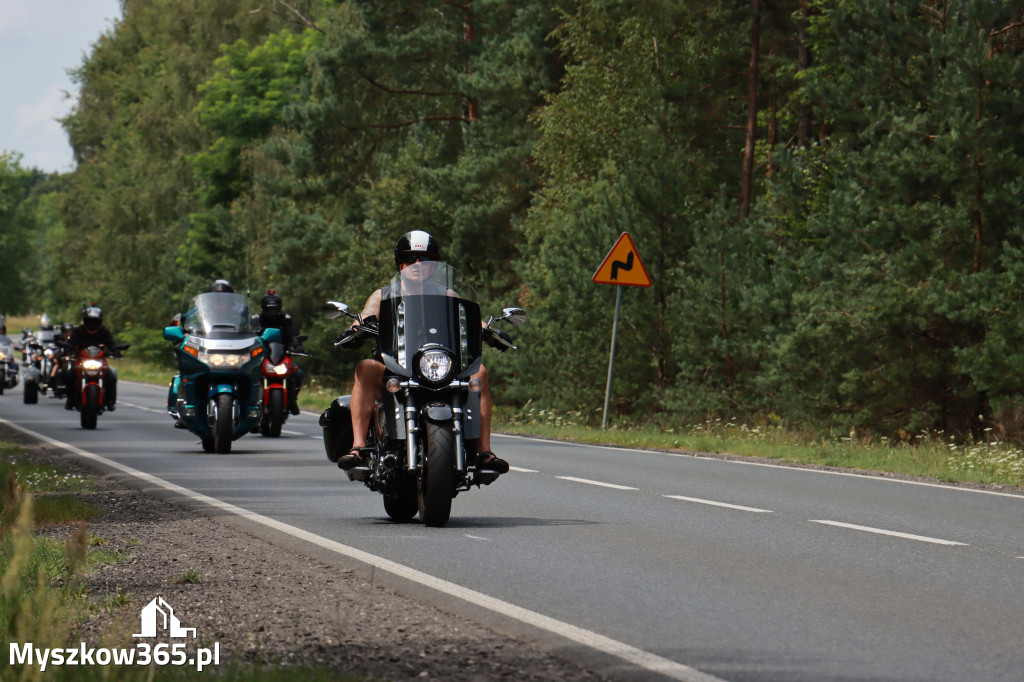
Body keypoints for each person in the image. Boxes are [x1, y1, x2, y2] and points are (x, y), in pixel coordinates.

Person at [336, 230, 509, 474]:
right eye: (411, 259)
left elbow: (471, 320)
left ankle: (484, 453)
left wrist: (490, 332)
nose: (417, 264)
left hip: (440, 369)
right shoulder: (383, 296)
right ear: (400, 263)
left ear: (435, 265)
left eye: (425, 259)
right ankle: (358, 447)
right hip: (394, 370)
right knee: (365, 367)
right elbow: (365, 315)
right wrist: (356, 328)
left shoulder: (448, 295)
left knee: (479, 372)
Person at [63, 304, 121, 411]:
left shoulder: (104, 331)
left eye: (95, 321)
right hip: (81, 360)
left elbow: (111, 342)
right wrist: (68, 349)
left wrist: (116, 351)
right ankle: (70, 399)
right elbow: (71, 342)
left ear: (99, 321)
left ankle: (109, 401)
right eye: (89, 321)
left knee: (111, 378)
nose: (92, 324)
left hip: (100, 360)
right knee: (69, 375)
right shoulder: (79, 331)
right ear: (85, 321)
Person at [258, 289, 306, 415]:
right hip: (262, 356)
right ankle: (251, 406)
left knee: (298, 373)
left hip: (281, 356)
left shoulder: (285, 319)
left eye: (274, 309)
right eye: (270, 309)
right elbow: (251, 336)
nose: (272, 312)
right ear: (264, 308)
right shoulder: (257, 320)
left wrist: (298, 346)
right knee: (250, 375)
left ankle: (292, 400)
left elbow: (292, 334)